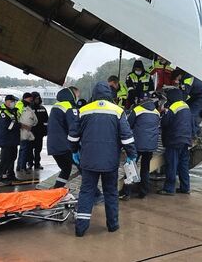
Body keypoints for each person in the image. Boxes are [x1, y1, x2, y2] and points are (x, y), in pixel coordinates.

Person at [71, 82, 137, 237]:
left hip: (88, 160)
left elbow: (73, 136)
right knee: (111, 192)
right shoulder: (117, 111)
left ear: (94, 93)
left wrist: (74, 151)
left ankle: (81, 229)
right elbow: (127, 137)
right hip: (110, 161)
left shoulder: (84, 110)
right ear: (109, 94)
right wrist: (131, 154)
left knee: (86, 192)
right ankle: (112, 225)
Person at [119, 94, 160, 200]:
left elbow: (128, 125)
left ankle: (126, 192)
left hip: (137, 144)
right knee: (145, 168)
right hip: (151, 146)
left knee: (131, 167)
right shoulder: (156, 112)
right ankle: (143, 191)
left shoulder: (137, 110)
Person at [158, 88, 192, 195]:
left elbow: (165, 123)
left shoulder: (172, 107)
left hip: (174, 140)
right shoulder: (186, 106)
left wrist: (163, 114)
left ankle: (169, 188)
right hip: (185, 139)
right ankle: (185, 187)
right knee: (183, 165)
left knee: (172, 164)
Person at [47, 87, 80, 188]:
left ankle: (56, 190)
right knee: (83, 167)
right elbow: (74, 127)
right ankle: (95, 193)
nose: (78, 98)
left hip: (53, 145)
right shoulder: (69, 107)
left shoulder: (56, 106)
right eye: (78, 95)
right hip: (65, 145)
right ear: (72, 94)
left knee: (66, 169)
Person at [173, 69, 202, 138]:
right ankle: (195, 128)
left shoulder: (187, 80)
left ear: (179, 75)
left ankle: (195, 133)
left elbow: (185, 94)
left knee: (191, 114)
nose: (176, 80)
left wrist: (178, 102)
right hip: (198, 96)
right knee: (189, 110)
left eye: (176, 78)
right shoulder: (186, 77)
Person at [0, 95, 22, 186]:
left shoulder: (13, 112)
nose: (13, 103)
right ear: (6, 101)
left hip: (13, 141)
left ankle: (10, 175)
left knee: (12, 158)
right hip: (6, 141)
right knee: (5, 160)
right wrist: (18, 125)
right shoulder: (3, 113)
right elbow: (8, 127)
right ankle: (2, 178)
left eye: (14, 101)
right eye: (11, 101)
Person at [29, 91, 49, 170]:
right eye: (36, 98)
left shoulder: (42, 109)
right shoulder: (29, 108)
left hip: (39, 133)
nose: (37, 100)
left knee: (38, 150)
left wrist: (46, 131)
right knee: (29, 150)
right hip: (30, 133)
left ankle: (37, 163)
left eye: (38, 98)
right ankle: (30, 163)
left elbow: (46, 121)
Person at [16, 93, 35, 172]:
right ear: (26, 98)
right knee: (24, 149)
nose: (31, 100)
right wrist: (23, 126)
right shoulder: (21, 105)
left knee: (23, 149)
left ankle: (20, 166)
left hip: (25, 130)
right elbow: (17, 117)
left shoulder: (26, 106)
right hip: (23, 130)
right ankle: (22, 167)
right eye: (30, 99)